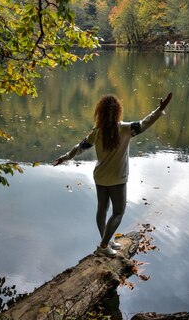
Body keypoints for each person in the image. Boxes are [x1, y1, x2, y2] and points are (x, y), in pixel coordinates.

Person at [53, 92, 172, 258]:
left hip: (100, 177)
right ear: (118, 111)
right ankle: (103, 246)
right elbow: (145, 123)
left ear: (99, 113)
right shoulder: (125, 128)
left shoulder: (97, 132)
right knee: (118, 212)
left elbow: (79, 147)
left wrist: (65, 157)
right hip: (117, 178)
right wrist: (159, 110)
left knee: (102, 209)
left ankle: (106, 240)